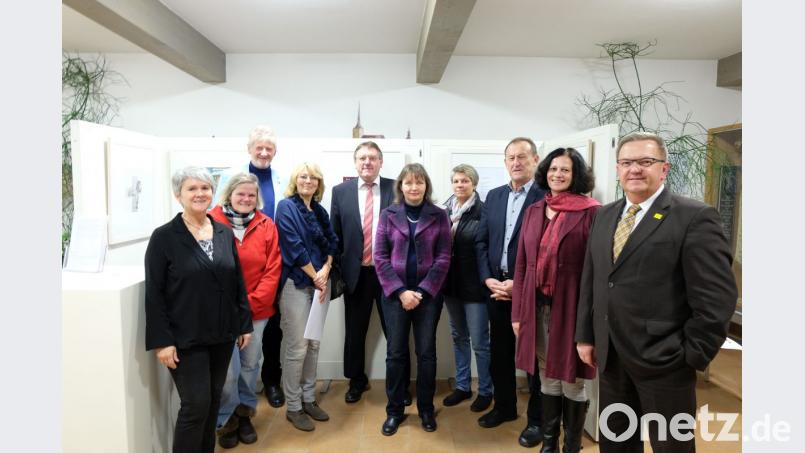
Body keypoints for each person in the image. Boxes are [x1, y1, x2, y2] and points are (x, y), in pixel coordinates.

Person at [575, 132, 737, 453]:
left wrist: (691, 355)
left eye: (645, 162)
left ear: (664, 169)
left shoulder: (694, 217)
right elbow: (592, 280)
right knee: (616, 443)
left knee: (671, 446)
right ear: (618, 169)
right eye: (627, 162)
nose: (635, 169)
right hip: (611, 357)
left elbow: (716, 300)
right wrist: (586, 335)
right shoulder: (605, 215)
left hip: (666, 362)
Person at [144, 167, 253, 453]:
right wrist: (162, 341)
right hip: (184, 337)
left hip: (222, 333)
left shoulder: (222, 232)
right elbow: (154, 294)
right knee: (195, 405)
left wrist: (243, 324)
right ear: (178, 194)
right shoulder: (164, 237)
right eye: (192, 188)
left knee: (214, 401)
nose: (200, 194)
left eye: (205, 188)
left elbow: (236, 281)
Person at [512, 148, 599, 453]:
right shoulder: (535, 210)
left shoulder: (591, 211)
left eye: (565, 170)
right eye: (553, 169)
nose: (557, 175)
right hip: (535, 308)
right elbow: (522, 265)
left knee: (572, 378)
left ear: (576, 175)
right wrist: (517, 314)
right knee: (547, 374)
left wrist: (590, 321)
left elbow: (596, 270)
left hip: (573, 308)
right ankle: (549, 445)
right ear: (545, 172)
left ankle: (571, 446)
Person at [475, 137, 546, 447]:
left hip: (530, 292)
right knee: (500, 355)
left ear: (535, 160)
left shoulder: (547, 198)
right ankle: (504, 408)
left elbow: (548, 252)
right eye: (511, 158)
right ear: (505, 163)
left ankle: (536, 421)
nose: (516, 162)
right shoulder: (493, 196)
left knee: (533, 361)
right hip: (496, 289)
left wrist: (521, 285)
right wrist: (488, 279)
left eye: (522, 157)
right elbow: (481, 242)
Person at [329, 141, 411, 404]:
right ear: (355, 162)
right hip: (357, 274)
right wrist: (338, 272)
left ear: (381, 162)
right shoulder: (339, 191)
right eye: (362, 158)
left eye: (373, 158)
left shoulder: (395, 188)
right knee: (355, 332)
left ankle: (399, 386)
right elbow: (335, 236)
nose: (367, 162)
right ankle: (356, 380)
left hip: (390, 275)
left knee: (396, 333)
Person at [374, 163, 451, 436]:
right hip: (395, 296)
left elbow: (443, 258)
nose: (414, 187)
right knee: (395, 354)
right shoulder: (387, 214)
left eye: (419, 183)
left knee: (426, 353)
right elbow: (380, 257)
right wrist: (400, 291)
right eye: (408, 183)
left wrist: (422, 290)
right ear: (401, 187)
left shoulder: (439, 215)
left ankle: (426, 410)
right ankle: (394, 411)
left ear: (426, 186)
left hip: (427, 297)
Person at [209, 173, 282, 448]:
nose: (246, 199)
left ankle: (244, 412)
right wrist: (234, 308)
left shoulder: (266, 224)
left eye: (251, 195)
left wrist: (249, 305)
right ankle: (225, 418)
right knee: (227, 369)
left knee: (251, 364)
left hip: (257, 311)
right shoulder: (211, 221)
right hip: (222, 313)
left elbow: (273, 268)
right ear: (229, 194)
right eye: (241, 194)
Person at [217, 125, 287, 409]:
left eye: (269, 148)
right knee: (232, 354)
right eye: (259, 147)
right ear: (249, 149)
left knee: (270, 333)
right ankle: (229, 409)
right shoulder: (229, 180)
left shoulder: (281, 179)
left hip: (271, 265)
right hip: (232, 282)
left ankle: (270, 382)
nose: (263, 152)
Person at [274, 162, 339, 432]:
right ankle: (293, 406)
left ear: (319, 183)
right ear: (295, 180)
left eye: (314, 178)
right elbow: (293, 246)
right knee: (297, 347)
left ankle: (309, 398)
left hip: (320, 283)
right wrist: (316, 275)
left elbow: (333, 243)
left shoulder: (320, 211)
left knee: (313, 345)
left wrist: (326, 269)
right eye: (303, 176)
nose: (308, 181)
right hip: (297, 284)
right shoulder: (286, 207)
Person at [440, 164, 493, 412]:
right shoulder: (444, 211)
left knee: (480, 342)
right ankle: (462, 386)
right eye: (456, 181)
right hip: (450, 286)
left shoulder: (483, 212)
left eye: (465, 181)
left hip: (474, 288)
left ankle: (485, 390)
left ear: (474, 184)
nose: (460, 185)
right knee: (459, 337)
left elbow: (486, 251)